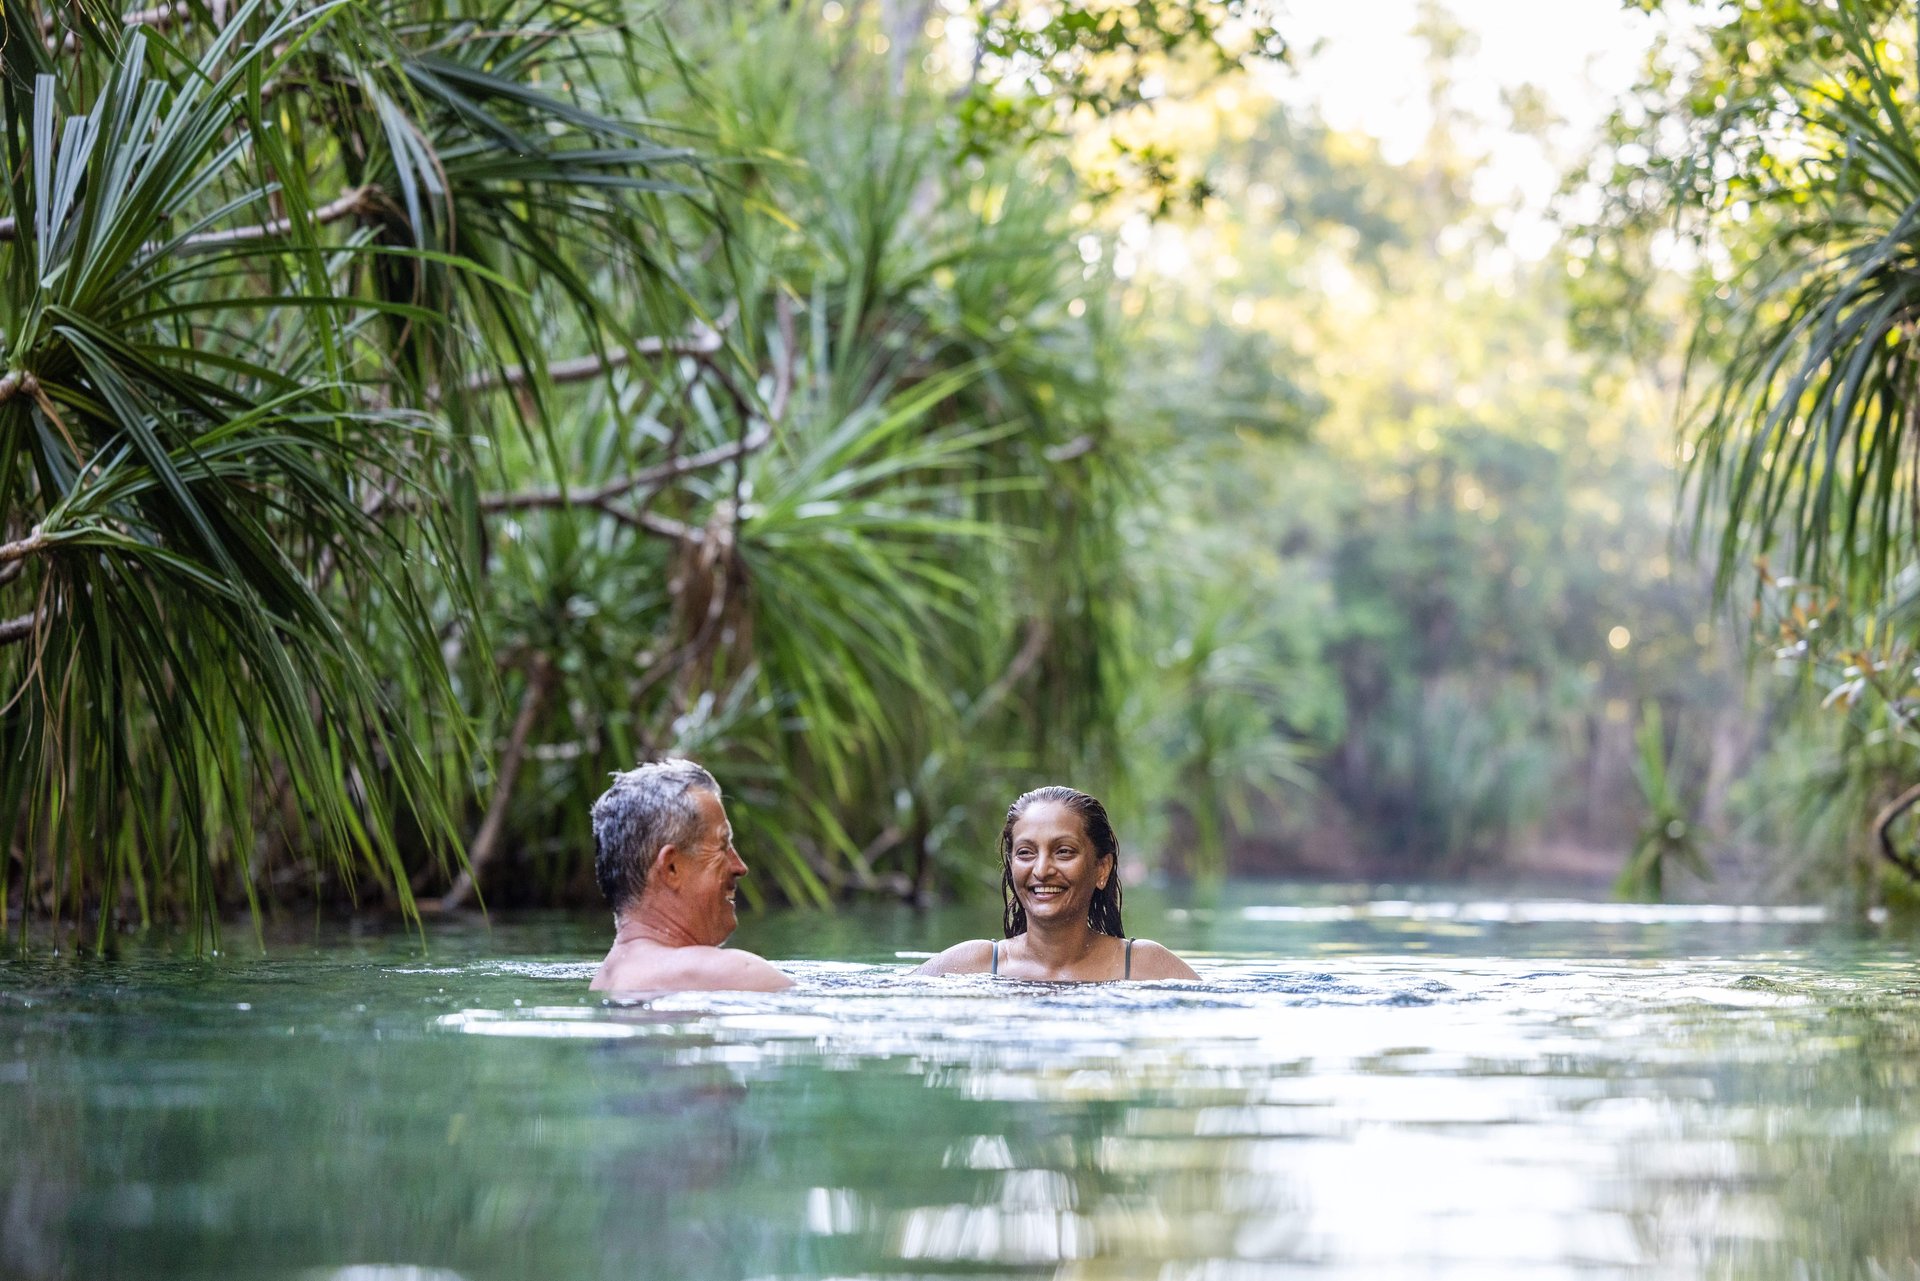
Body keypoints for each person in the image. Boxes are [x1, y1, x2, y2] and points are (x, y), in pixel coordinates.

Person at [916, 785, 1199, 982]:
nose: (1041, 870)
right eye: (1026, 853)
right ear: (1012, 865)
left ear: (1102, 868)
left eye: (1063, 851)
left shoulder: (1143, 965)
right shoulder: (969, 965)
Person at [589, 759, 792, 993]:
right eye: (722, 845)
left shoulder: (606, 982)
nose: (740, 867)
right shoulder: (730, 974)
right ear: (671, 867)